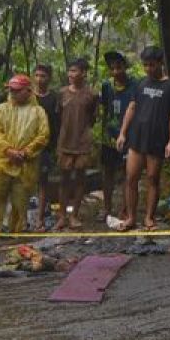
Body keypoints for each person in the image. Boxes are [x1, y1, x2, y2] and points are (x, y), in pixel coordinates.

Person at [116, 46, 170, 232]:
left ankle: (149, 218)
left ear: (161, 63)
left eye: (152, 65)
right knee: (131, 178)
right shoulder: (142, 83)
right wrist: (123, 132)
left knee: (153, 178)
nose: (148, 69)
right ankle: (131, 217)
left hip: (157, 138)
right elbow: (132, 107)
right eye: (145, 65)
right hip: (137, 137)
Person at [0, 74, 50, 242]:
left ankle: (16, 231)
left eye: (17, 90)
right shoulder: (3, 109)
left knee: (21, 199)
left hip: (26, 163)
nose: (12, 93)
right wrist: (8, 151)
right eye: (11, 90)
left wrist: (26, 152)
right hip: (2, 161)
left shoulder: (38, 112)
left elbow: (43, 135)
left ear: (28, 91)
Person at [55, 57, 99, 230]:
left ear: (83, 73)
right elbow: (59, 117)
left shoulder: (92, 95)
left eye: (75, 71)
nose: (71, 74)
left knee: (80, 179)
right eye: (70, 71)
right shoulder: (62, 93)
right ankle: (62, 216)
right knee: (64, 179)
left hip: (82, 142)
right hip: (65, 141)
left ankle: (74, 215)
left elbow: (93, 119)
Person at [99, 50, 137, 224]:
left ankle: (125, 207)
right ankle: (106, 207)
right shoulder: (106, 86)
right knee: (108, 173)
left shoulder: (134, 85)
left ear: (125, 67)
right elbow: (104, 109)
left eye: (119, 67)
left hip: (128, 136)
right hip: (109, 135)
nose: (116, 72)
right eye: (112, 68)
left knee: (126, 173)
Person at [32, 63, 60, 231]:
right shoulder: (28, 96)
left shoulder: (54, 98)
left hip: (45, 146)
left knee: (43, 182)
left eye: (43, 76)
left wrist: (55, 145)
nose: (39, 79)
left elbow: (57, 123)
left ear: (49, 78)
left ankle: (40, 219)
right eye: (37, 75)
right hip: (25, 145)